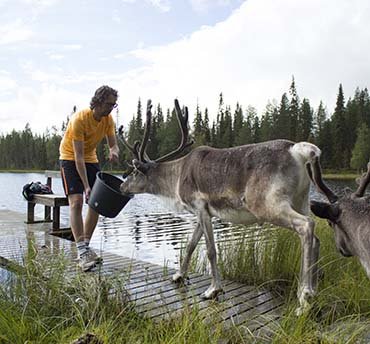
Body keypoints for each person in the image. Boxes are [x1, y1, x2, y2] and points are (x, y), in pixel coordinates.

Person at [59, 85, 120, 271]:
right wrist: (86, 186)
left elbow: (113, 145)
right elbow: (78, 157)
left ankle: (84, 247)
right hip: (70, 158)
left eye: (114, 104)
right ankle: (82, 250)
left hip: (91, 159)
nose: (112, 108)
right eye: (110, 104)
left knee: (96, 202)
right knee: (76, 202)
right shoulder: (79, 119)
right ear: (99, 101)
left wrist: (113, 151)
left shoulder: (108, 120)